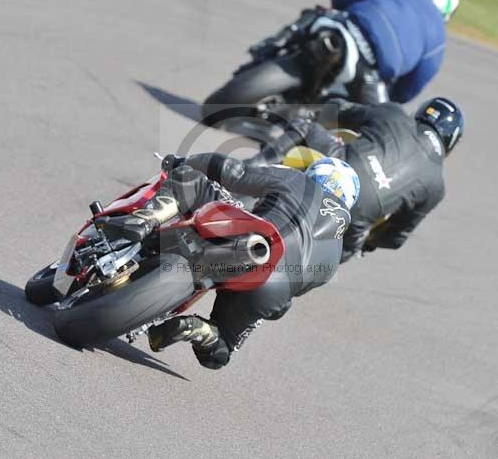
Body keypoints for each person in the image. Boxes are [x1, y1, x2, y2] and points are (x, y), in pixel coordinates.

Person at [95, 154, 360, 369]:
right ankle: (197, 330)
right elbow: (286, 304)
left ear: (317, 174)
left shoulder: (298, 180)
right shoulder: (335, 256)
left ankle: (142, 220)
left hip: (250, 237)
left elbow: (236, 173)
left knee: (188, 178)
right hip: (272, 288)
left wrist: (185, 161)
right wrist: (270, 306)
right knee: (220, 351)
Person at [248, 97, 464, 262]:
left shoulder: (394, 113)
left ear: (420, 113)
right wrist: (367, 244)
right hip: (355, 221)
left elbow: (339, 111)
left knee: (306, 127)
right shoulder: (437, 186)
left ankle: (251, 169)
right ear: (451, 141)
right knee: (332, 260)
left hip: (339, 165)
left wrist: (317, 116)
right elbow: (394, 238)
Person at [331, 0, 460, 104]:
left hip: (339, 27)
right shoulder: (438, 38)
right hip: (368, 69)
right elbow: (407, 90)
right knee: (378, 115)